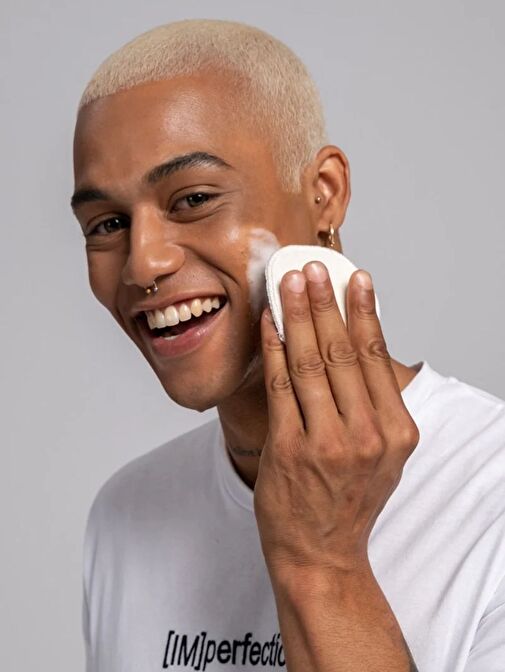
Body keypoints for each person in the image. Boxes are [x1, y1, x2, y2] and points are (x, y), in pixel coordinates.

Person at [71, 19, 505, 672]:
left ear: (323, 194)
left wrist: (319, 562)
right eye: (107, 224)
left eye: (193, 199)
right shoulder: (126, 514)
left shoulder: (489, 494)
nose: (142, 263)